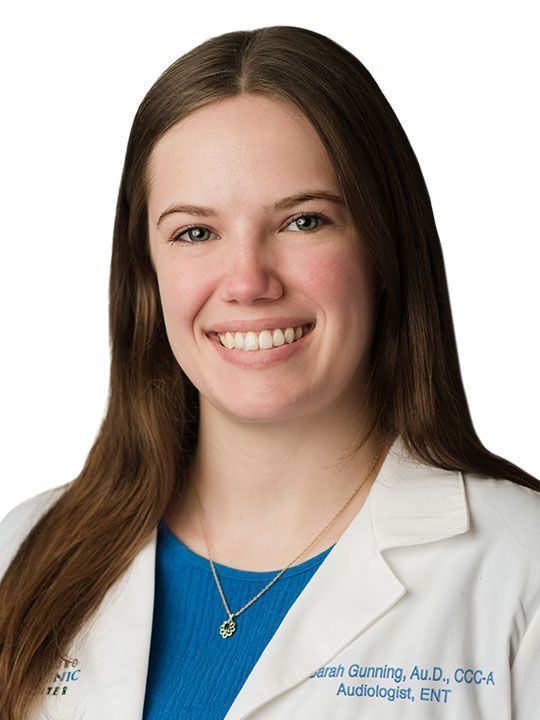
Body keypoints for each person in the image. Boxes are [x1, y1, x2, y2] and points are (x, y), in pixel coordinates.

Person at [0, 25, 538, 720]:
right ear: (147, 275)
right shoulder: (27, 551)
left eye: (304, 222)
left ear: (384, 248)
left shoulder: (519, 571)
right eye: (196, 232)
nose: (248, 281)